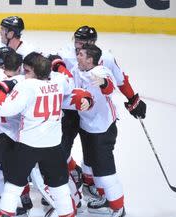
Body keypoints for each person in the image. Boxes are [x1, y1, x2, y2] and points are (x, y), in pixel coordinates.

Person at [0, 56, 92, 217]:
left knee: (13, 185)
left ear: (34, 72)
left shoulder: (27, 87)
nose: (24, 73)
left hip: (28, 144)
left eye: (27, 70)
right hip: (53, 145)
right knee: (60, 187)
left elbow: (3, 109)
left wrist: (1, 90)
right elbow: (71, 86)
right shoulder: (59, 82)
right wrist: (60, 66)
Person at [56, 25, 147, 198]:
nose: (77, 45)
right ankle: (70, 172)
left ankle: (90, 183)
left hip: (92, 111)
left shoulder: (105, 57)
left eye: (82, 42)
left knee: (91, 149)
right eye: (76, 40)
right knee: (61, 148)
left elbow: (119, 81)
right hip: (69, 108)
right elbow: (54, 70)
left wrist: (133, 99)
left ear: (91, 43)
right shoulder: (66, 53)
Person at [71, 43, 127, 217]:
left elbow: (109, 86)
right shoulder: (77, 69)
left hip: (103, 129)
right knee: (92, 164)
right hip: (86, 126)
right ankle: (104, 198)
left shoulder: (101, 71)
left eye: (81, 54)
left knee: (105, 171)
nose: (77, 55)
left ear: (90, 60)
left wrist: (103, 83)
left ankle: (119, 209)